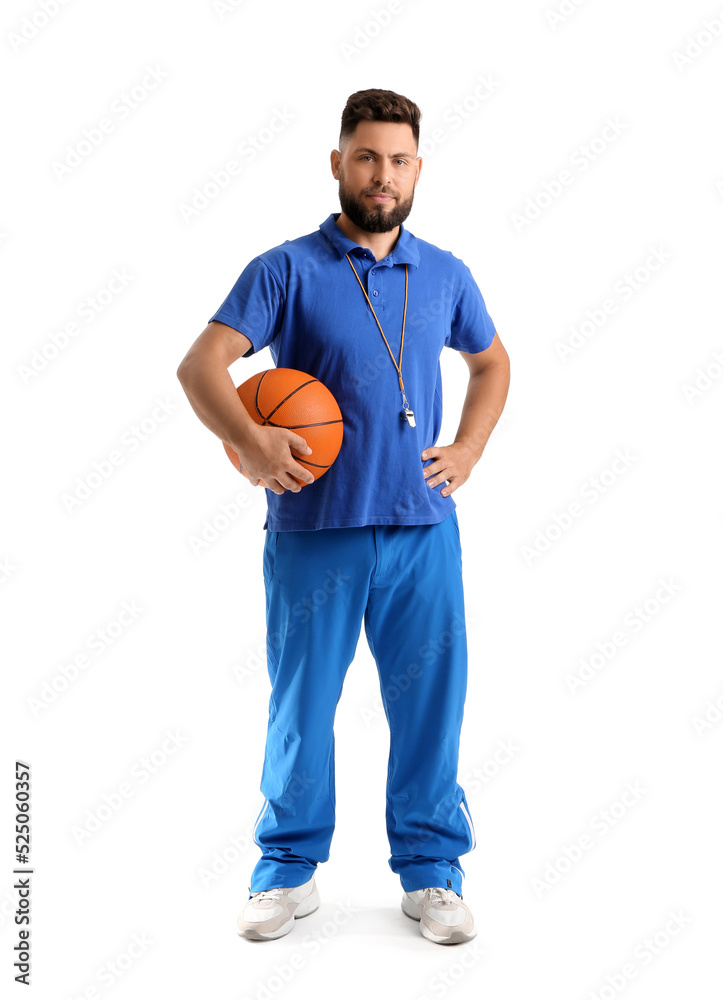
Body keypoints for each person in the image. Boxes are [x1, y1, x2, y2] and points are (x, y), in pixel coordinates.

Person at [176, 88, 510, 946]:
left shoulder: (445, 272)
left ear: (417, 169)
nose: (382, 175)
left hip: (421, 527)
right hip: (313, 531)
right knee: (301, 706)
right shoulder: (285, 268)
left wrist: (466, 450)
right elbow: (200, 365)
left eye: (398, 160)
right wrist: (249, 440)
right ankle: (285, 871)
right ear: (337, 163)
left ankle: (432, 873)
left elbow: (492, 362)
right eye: (366, 157)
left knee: (432, 704)